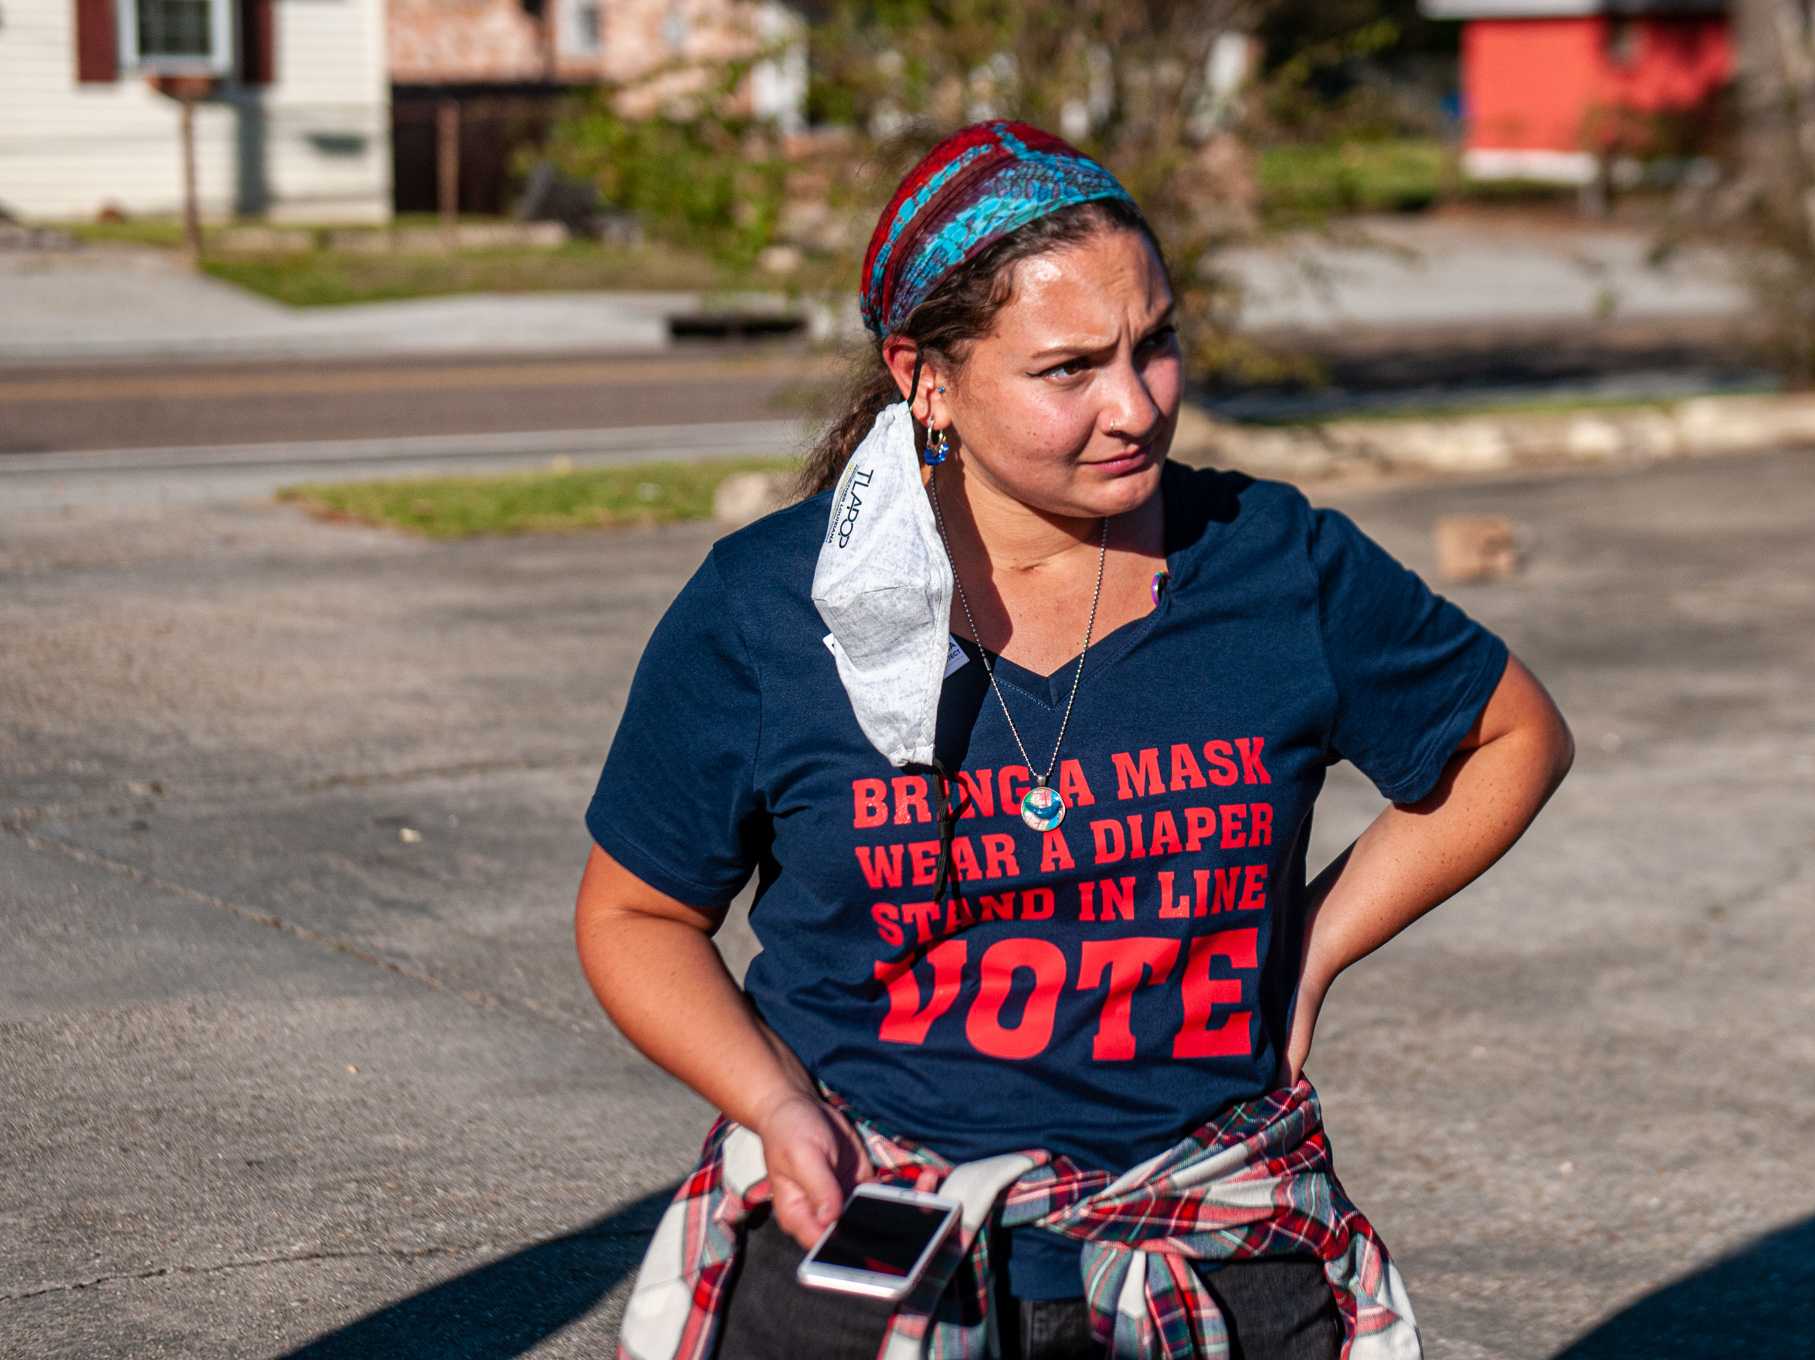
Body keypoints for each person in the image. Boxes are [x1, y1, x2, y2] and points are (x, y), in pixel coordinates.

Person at [575, 120, 1574, 1360]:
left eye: (1154, 345)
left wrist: (1308, 948)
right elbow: (634, 916)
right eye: (1067, 369)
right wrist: (774, 1104)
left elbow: (1511, 735)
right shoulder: (773, 606)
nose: (1132, 407)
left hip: (1209, 1231)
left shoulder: (1277, 563)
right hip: (867, 1210)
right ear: (923, 376)